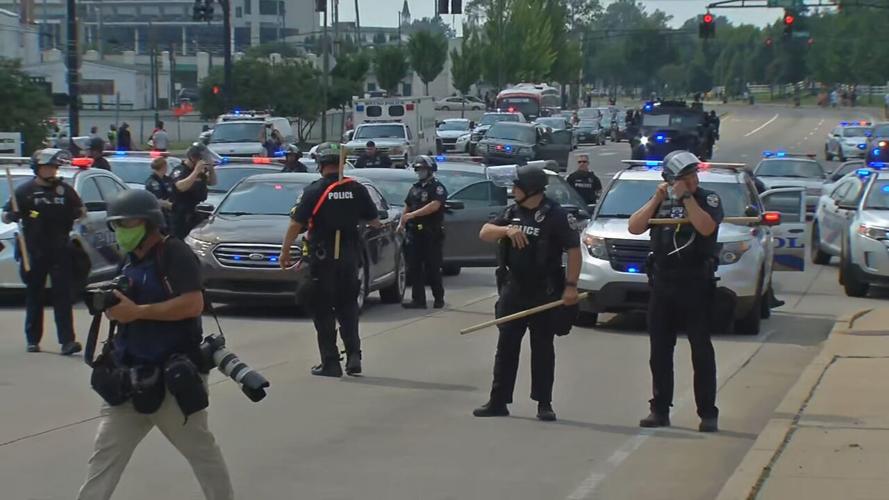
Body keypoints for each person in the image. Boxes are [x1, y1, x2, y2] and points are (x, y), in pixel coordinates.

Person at [76, 190, 234, 500]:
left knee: (202, 453)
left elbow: (192, 304)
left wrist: (138, 312)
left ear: (149, 223)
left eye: (126, 223)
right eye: (116, 224)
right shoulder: (129, 259)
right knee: (104, 459)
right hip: (128, 378)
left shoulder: (174, 254)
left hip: (172, 380)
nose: (120, 230)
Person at [473, 165, 582, 422]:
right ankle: (498, 401)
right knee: (506, 347)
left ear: (531, 189)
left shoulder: (555, 215)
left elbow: (574, 251)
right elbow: (485, 232)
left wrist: (571, 286)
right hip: (514, 288)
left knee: (543, 348)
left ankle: (544, 403)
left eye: (517, 186)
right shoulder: (512, 212)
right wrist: (507, 230)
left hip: (544, 290)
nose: (513, 190)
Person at [627, 150, 722, 433]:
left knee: (701, 351)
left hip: (695, 283)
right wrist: (658, 198)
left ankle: (707, 412)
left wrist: (687, 198)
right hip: (663, 283)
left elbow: (706, 228)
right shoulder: (660, 201)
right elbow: (634, 227)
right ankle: (659, 409)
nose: (691, 180)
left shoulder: (707, 199)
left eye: (693, 175)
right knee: (659, 351)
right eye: (684, 177)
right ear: (669, 179)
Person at [279, 143, 381, 377]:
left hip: (321, 259)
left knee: (322, 309)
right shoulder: (357, 188)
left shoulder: (314, 190)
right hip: (349, 257)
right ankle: (354, 356)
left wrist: (285, 252)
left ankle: (331, 362)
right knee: (348, 307)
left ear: (321, 164)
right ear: (342, 164)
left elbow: (296, 223)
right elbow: (374, 221)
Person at [2, 149, 84, 354]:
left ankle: (67, 341)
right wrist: (13, 215)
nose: (52, 171)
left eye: (54, 168)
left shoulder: (65, 191)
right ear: (37, 169)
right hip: (34, 251)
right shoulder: (24, 191)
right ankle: (32, 339)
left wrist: (77, 214)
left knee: (62, 297)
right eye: (47, 167)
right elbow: (5, 216)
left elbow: (82, 212)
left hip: (60, 250)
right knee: (34, 296)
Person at [399, 155, 448, 309]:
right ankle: (418, 300)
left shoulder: (437, 187)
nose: (420, 172)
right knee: (414, 267)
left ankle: (438, 298)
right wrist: (402, 222)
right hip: (414, 234)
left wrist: (413, 215)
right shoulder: (415, 188)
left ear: (430, 170)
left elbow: (435, 205)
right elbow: (407, 205)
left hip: (430, 234)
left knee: (432, 267)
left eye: (423, 169)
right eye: (418, 169)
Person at [170, 144, 217, 239]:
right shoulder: (180, 170)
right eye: (201, 158)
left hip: (196, 212)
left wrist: (211, 169)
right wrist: (195, 172)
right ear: (193, 158)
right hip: (182, 215)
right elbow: (180, 186)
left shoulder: (200, 172)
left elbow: (212, 182)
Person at [145, 156, 174, 227]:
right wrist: (169, 204)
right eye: (166, 166)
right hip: (159, 215)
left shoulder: (168, 179)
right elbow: (156, 200)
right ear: (163, 167)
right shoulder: (152, 182)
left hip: (170, 214)